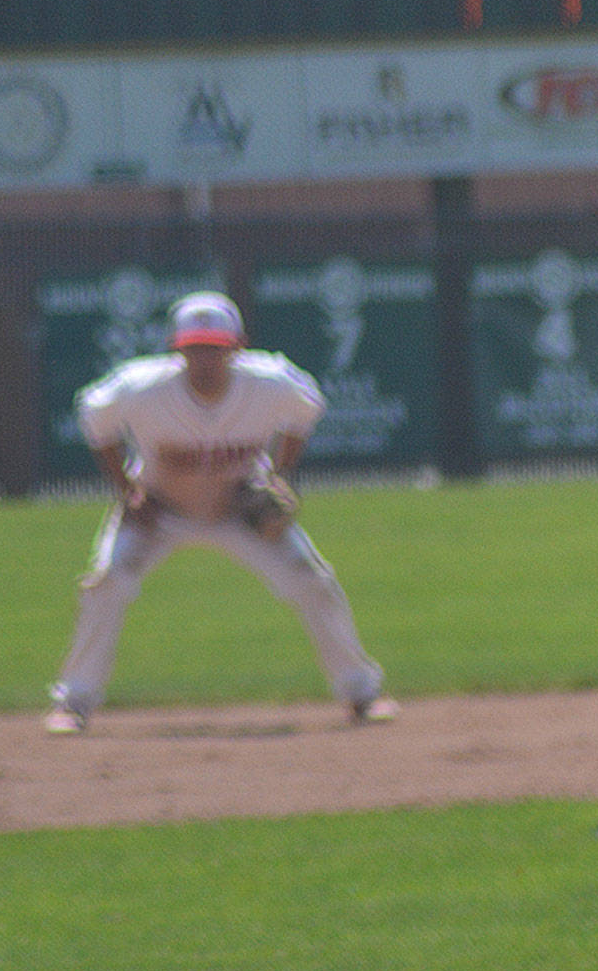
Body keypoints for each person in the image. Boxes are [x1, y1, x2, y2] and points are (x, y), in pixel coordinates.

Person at [44, 291, 398, 735]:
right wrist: (127, 490)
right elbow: (94, 419)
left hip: (240, 509)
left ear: (237, 347)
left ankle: (362, 694)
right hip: (160, 512)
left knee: (313, 580)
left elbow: (305, 413)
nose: (205, 358)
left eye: (214, 347)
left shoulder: (272, 382)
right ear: (178, 350)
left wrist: (280, 476)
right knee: (106, 582)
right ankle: (74, 702)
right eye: (195, 348)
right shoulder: (142, 387)